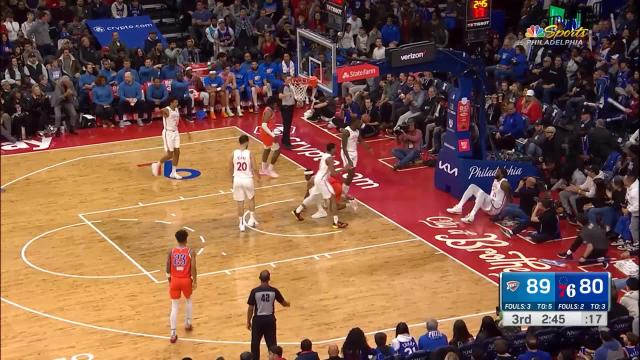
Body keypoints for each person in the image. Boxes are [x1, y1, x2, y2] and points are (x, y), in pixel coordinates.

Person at [292, 143, 348, 229]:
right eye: (335, 149)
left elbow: (330, 170)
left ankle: (297, 211)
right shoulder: (329, 158)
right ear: (332, 149)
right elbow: (333, 173)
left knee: (312, 197)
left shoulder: (325, 155)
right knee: (332, 199)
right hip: (322, 180)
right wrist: (344, 169)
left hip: (318, 178)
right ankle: (336, 222)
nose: (336, 151)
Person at [247, 270, 290, 360]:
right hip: (270, 320)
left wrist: (248, 321)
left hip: (258, 320)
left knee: (255, 344)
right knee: (272, 345)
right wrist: (289, 303)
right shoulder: (274, 291)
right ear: (269, 279)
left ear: (259, 278)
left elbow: (251, 308)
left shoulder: (254, 291)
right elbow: (283, 303)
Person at [165, 229, 197, 343]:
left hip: (175, 280)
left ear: (176, 239)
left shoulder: (171, 251)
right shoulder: (190, 252)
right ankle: (188, 323)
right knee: (188, 301)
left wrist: (168, 277)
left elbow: (168, 265)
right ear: (186, 239)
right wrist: (195, 280)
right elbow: (193, 267)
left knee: (174, 306)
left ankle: (173, 333)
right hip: (186, 280)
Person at [151, 97, 188, 180]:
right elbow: (159, 111)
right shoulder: (167, 110)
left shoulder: (176, 109)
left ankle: (173, 172)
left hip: (176, 132)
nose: (177, 104)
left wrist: (187, 132)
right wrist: (159, 110)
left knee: (177, 152)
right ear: (171, 103)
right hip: (168, 133)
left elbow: (178, 119)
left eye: (177, 102)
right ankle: (157, 164)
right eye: (175, 102)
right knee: (170, 154)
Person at [231, 134, 259, 232]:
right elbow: (255, 168)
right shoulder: (250, 153)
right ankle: (251, 219)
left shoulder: (234, 153)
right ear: (247, 142)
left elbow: (230, 167)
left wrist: (232, 179)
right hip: (247, 179)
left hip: (237, 179)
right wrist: (258, 177)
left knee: (240, 202)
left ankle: (241, 224)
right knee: (251, 199)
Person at [341, 116, 367, 206]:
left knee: (351, 175)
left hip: (354, 153)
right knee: (350, 173)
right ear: (354, 122)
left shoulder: (357, 130)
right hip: (347, 153)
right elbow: (344, 148)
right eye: (359, 122)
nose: (360, 123)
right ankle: (343, 194)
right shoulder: (346, 132)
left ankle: (343, 193)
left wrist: (367, 147)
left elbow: (360, 139)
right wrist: (348, 159)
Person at [259, 96, 281, 178]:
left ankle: (263, 169)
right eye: (275, 103)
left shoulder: (269, 109)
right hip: (267, 134)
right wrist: (273, 135)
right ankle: (270, 170)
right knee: (277, 150)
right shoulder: (268, 111)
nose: (276, 105)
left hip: (265, 133)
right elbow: (264, 125)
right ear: (272, 103)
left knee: (267, 149)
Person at [279, 76, 295, 149]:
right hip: (285, 108)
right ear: (285, 79)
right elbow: (280, 96)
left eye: (290, 79)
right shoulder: (282, 87)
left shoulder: (292, 86)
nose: (289, 80)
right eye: (288, 79)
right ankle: (287, 143)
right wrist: (288, 94)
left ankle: (283, 140)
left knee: (288, 125)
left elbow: (293, 96)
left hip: (291, 107)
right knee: (286, 125)